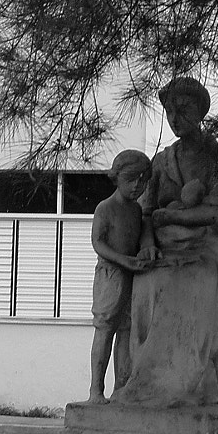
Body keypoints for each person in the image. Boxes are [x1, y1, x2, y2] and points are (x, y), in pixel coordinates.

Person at [112, 76, 218, 406]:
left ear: (201, 111)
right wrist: (147, 243)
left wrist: (169, 217)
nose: (174, 118)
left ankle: (179, 382)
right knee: (148, 276)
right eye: (169, 110)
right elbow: (145, 213)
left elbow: (213, 212)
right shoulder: (160, 162)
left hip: (211, 248)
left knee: (192, 278)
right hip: (165, 246)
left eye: (182, 109)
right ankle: (144, 379)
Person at [88, 150, 151, 402]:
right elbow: (98, 242)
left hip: (132, 276)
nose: (137, 185)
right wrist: (123, 260)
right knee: (105, 329)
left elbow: (143, 237)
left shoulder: (136, 211)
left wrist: (145, 251)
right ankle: (96, 390)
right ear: (117, 177)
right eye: (131, 178)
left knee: (126, 331)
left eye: (143, 180)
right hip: (110, 275)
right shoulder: (106, 208)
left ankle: (121, 389)